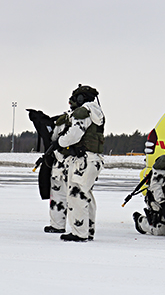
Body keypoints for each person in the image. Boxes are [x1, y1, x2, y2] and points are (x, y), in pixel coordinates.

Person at [55, 85, 105, 242]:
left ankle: (79, 233)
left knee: (76, 195)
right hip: (94, 159)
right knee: (86, 194)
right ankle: (88, 230)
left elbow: (74, 135)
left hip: (83, 162)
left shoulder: (83, 112)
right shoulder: (97, 112)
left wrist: (60, 142)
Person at [43, 111, 73, 234]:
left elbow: (54, 138)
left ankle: (57, 225)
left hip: (62, 163)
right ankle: (83, 228)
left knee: (58, 195)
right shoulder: (91, 119)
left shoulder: (64, 120)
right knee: (78, 197)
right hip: (80, 164)